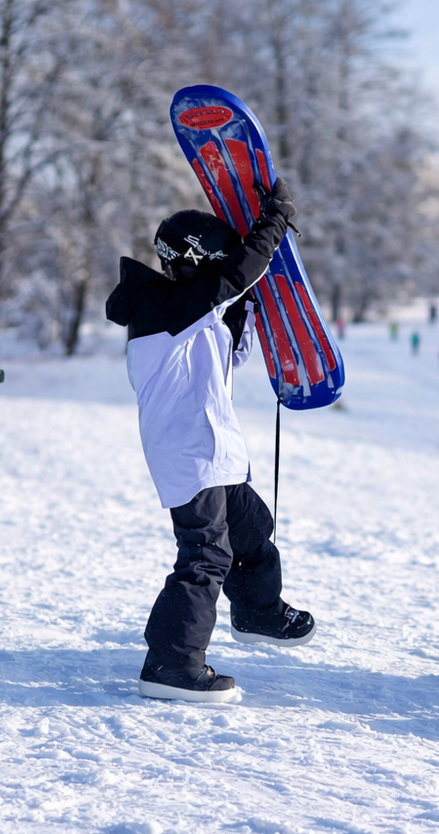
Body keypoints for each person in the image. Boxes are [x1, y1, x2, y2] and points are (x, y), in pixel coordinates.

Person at [104, 178, 314, 703]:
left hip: (218, 452)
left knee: (251, 527)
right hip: (187, 456)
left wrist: (246, 310)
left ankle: (259, 609)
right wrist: (273, 226)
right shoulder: (157, 307)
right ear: (196, 259)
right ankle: (170, 664)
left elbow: (227, 354)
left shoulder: (191, 314)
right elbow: (232, 279)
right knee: (204, 556)